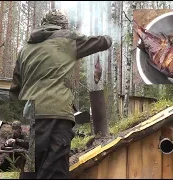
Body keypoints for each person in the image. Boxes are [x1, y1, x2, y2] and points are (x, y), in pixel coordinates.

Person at [9, 9, 112, 179]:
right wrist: (109, 38)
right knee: (54, 173)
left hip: (29, 118)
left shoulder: (25, 49)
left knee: (30, 173)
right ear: (62, 26)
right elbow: (101, 42)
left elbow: (14, 90)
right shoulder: (66, 39)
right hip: (55, 117)